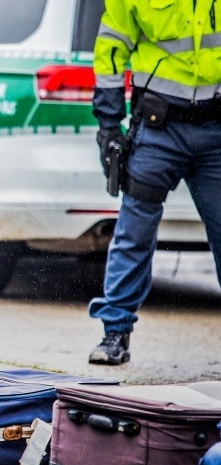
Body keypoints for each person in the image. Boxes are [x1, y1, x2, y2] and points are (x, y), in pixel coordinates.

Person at [88, 0, 221, 365]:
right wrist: (109, 125)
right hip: (159, 128)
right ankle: (114, 332)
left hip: (217, 130)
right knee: (135, 230)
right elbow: (111, 48)